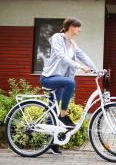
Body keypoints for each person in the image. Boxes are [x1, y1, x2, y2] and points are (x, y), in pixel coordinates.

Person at [40, 17, 97, 154]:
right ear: (71, 27)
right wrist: (79, 67)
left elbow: (84, 56)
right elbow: (61, 56)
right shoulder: (57, 38)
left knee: (51, 111)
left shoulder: (73, 44)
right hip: (49, 78)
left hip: (60, 80)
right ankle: (63, 114)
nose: (80, 29)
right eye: (78, 27)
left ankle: (52, 144)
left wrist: (96, 70)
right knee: (70, 82)